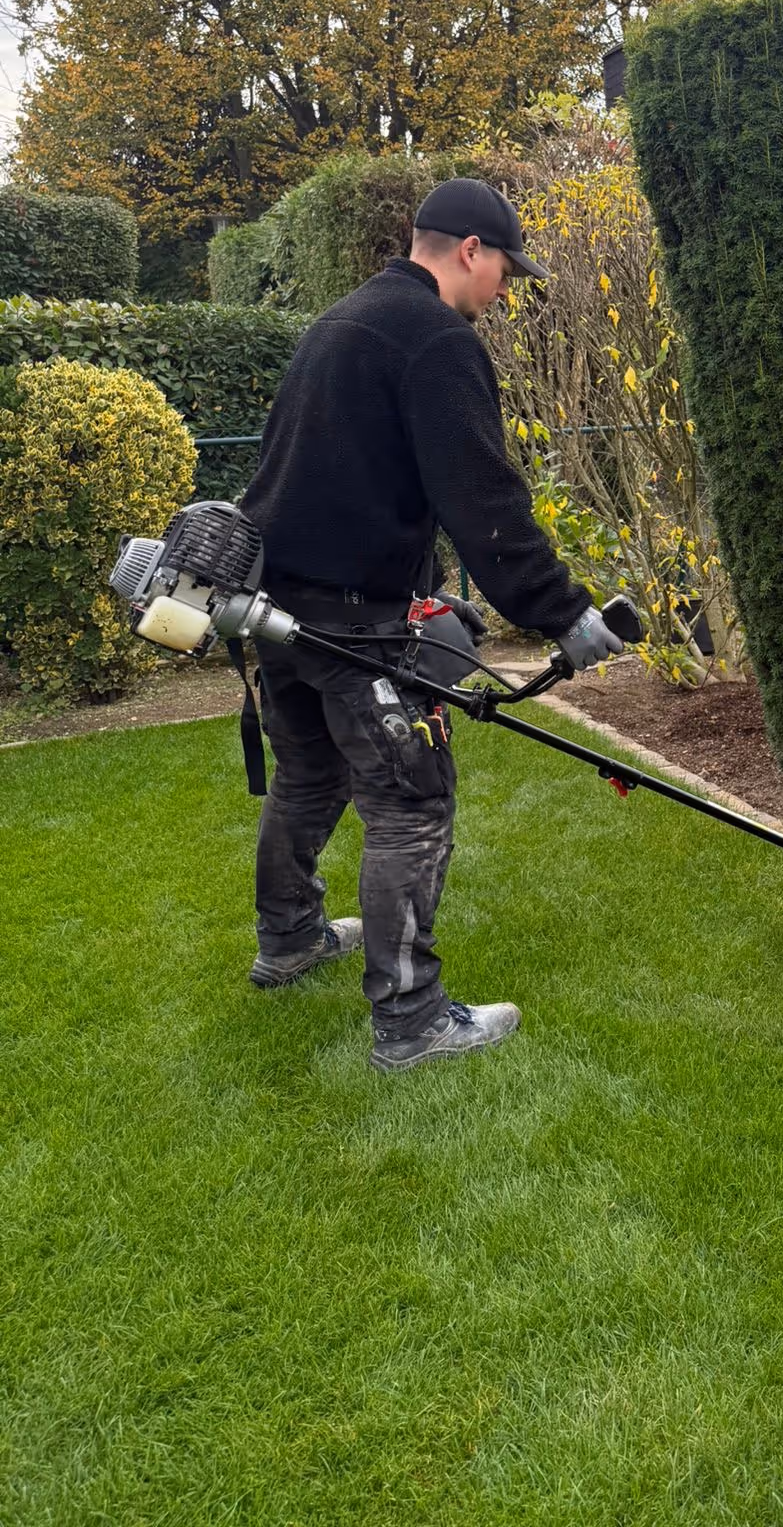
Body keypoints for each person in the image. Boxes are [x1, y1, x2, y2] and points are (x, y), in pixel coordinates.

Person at [240, 178, 627, 1072]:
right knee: (411, 806)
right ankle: (412, 1023)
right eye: (504, 272)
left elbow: (339, 476)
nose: (504, 290)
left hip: (277, 611)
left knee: (309, 779)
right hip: (353, 628)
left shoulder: (343, 321)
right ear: (469, 250)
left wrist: (428, 590)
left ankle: (288, 938)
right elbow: (484, 500)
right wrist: (562, 612)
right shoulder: (436, 339)